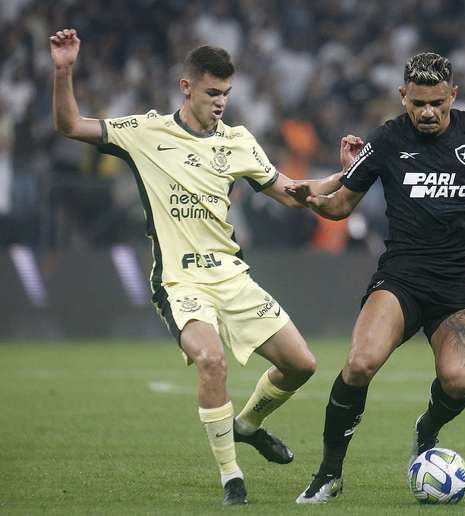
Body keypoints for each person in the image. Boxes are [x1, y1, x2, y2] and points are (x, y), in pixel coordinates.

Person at [50, 28, 363, 505]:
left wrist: (344, 174)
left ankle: (247, 425)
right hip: (179, 278)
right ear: (187, 87)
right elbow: (71, 125)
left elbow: (292, 191)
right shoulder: (145, 132)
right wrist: (64, 69)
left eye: (227, 94)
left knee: (301, 365)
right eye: (213, 93)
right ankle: (231, 478)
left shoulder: (237, 141)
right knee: (210, 359)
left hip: (230, 275)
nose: (221, 102)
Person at [286, 52, 465, 504]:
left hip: (464, 283)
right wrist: (311, 200)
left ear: (453, 96)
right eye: (418, 102)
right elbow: (341, 204)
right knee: (360, 363)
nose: (427, 112)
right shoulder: (386, 139)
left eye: (438, 103)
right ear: (403, 96)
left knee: (458, 382)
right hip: (402, 277)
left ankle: (428, 427)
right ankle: (329, 473)